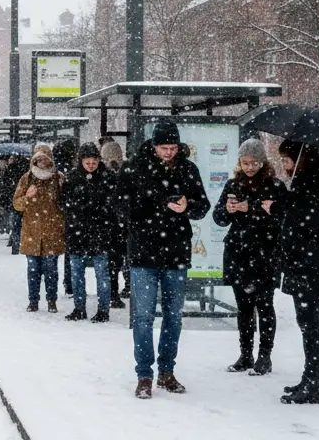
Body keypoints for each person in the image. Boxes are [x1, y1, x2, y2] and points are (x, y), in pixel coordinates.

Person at [117, 119, 210, 399]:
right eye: (164, 147)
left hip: (176, 252)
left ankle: (167, 371)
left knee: (174, 317)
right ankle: (144, 373)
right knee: (143, 317)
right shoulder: (134, 167)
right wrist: (150, 210)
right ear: (154, 145)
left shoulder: (188, 168)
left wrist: (187, 206)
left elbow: (202, 205)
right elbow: (120, 204)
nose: (169, 152)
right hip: (144, 252)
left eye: (173, 147)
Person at [263, 140, 319, 405]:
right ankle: (313, 379)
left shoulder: (315, 182)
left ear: (300, 158)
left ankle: (312, 383)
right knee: (307, 321)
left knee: (309, 323)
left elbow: (311, 218)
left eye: (287, 159)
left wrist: (276, 207)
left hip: (313, 263)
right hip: (308, 261)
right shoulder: (311, 180)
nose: (284, 165)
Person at [212, 139, 286, 376]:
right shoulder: (234, 184)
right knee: (243, 307)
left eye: (254, 162)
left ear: (263, 162)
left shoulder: (274, 186)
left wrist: (251, 209)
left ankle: (265, 356)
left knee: (265, 306)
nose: (250, 167)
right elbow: (218, 218)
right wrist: (228, 209)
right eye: (245, 162)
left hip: (265, 254)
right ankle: (245, 355)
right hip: (238, 253)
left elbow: (282, 219)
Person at [63, 143, 117, 322]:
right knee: (78, 273)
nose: (91, 165)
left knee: (101, 273)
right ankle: (79, 308)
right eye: (88, 162)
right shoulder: (72, 178)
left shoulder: (107, 177)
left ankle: (103, 310)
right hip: (79, 232)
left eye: (94, 162)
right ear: (81, 161)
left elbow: (112, 204)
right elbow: (65, 203)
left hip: (98, 232)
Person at [13, 151, 66, 313]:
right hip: (32, 232)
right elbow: (16, 204)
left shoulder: (58, 178)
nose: (42, 163)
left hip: (52, 231)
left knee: (51, 269)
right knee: (33, 270)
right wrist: (27, 197)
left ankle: (51, 300)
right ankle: (33, 300)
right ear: (34, 161)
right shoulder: (27, 178)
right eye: (39, 160)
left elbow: (65, 203)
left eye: (45, 160)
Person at [101, 140, 129, 306]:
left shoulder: (104, 175)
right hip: (123, 223)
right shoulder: (126, 172)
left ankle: (113, 293)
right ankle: (125, 288)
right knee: (125, 259)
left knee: (113, 262)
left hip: (111, 224)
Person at [53, 137, 79, 295]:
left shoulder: (56, 169)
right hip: (71, 214)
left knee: (59, 251)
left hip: (59, 213)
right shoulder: (73, 170)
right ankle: (70, 282)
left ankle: (65, 282)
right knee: (71, 251)